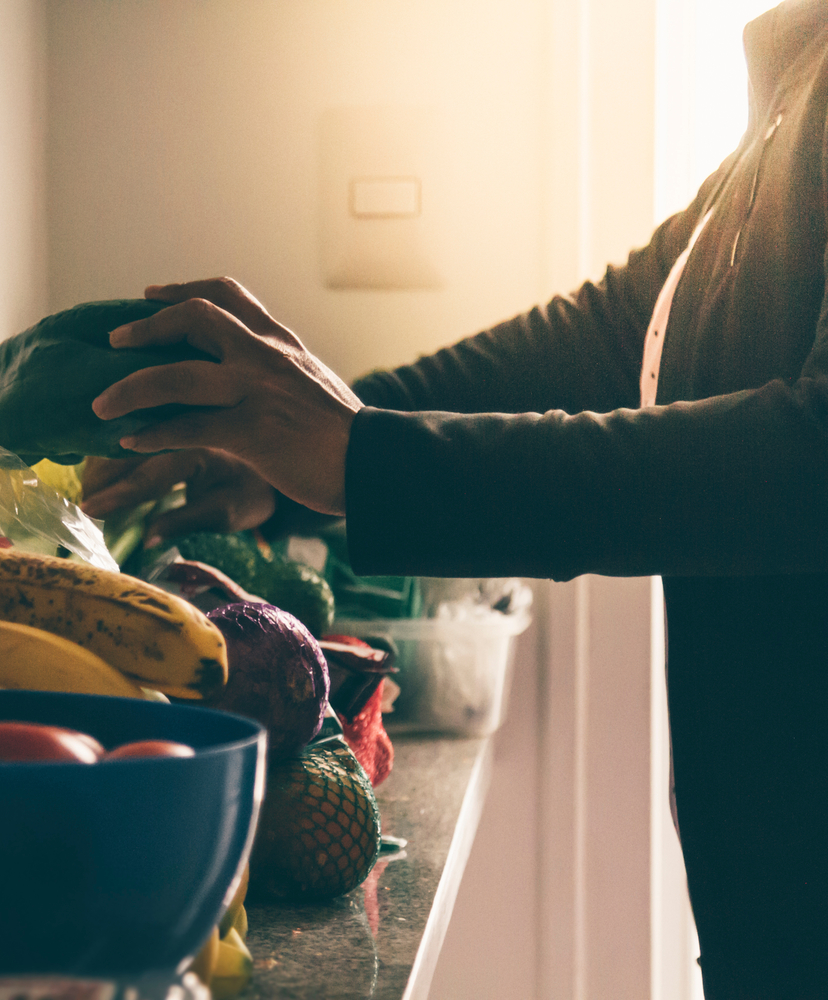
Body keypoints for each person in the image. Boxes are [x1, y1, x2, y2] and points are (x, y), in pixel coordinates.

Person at [78, 3, 828, 997]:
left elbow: (807, 466)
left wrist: (363, 459)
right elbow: (624, 330)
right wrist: (298, 450)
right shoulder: (799, 67)